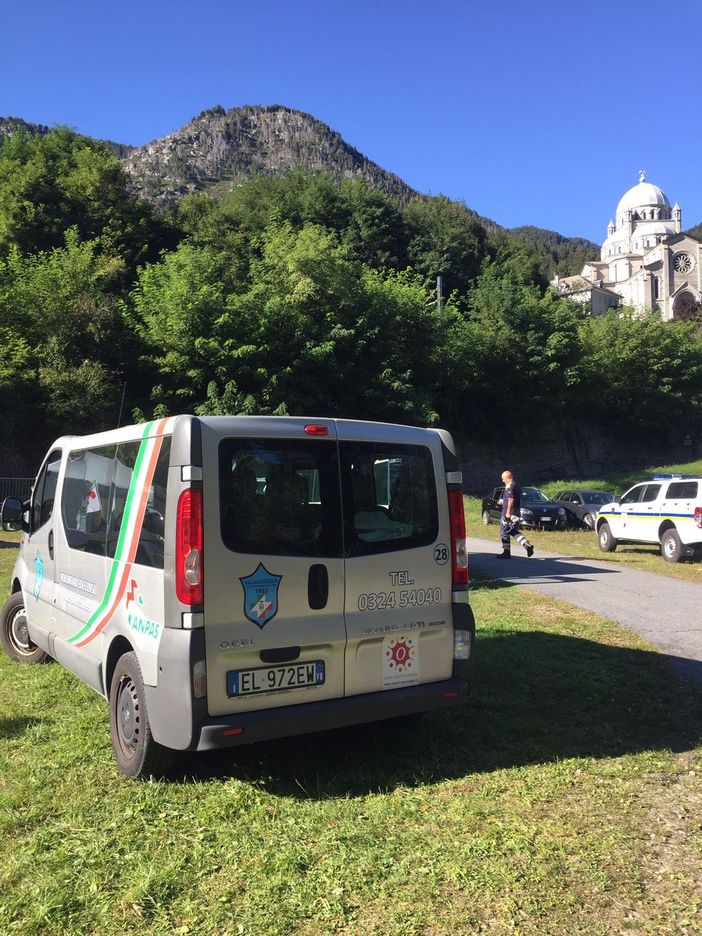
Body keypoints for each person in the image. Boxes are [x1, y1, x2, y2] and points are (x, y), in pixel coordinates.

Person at [497, 469, 534, 559]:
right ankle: (526, 544)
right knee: (513, 531)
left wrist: (508, 513)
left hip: (509, 514)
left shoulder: (510, 487)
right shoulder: (516, 486)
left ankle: (506, 552)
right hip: (516, 514)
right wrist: (503, 501)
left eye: (503, 478)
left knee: (504, 532)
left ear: (508, 477)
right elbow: (511, 499)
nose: (502, 480)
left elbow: (511, 499)